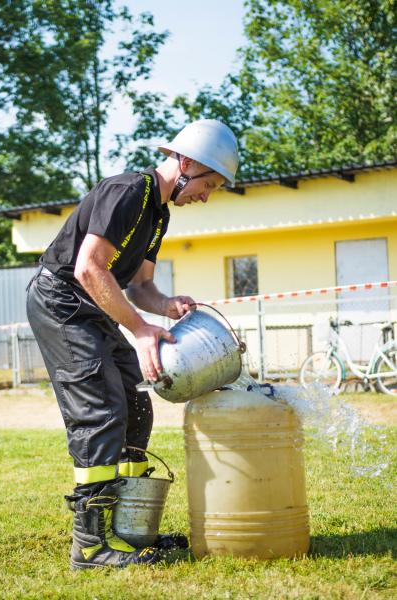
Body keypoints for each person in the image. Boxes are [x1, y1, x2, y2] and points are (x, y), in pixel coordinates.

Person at [26, 119, 239, 569]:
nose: (207, 195)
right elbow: (89, 268)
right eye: (209, 183)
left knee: (136, 406)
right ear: (185, 163)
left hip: (92, 305)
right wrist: (141, 331)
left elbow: (140, 287)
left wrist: (166, 305)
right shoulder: (129, 191)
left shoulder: (158, 214)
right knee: (101, 412)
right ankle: (90, 546)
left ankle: (129, 532)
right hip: (61, 301)